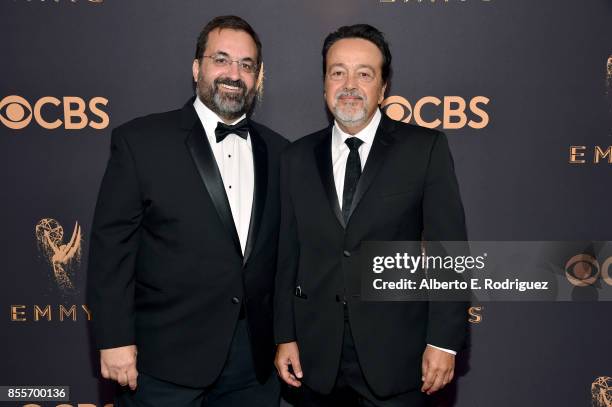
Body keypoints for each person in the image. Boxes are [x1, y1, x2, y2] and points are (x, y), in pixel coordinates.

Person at [87, 15, 288, 407]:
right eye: (222, 60)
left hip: (254, 366)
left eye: (246, 65)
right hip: (163, 362)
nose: (234, 74)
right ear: (197, 68)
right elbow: (111, 249)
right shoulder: (141, 142)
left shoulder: (282, 153)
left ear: (257, 77)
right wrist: (113, 339)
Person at [274, 24, 468, 406]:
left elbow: (450, 251)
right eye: (337, 72)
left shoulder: (423, 149)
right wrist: (284, 335)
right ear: (325, 85)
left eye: (364, 73)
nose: (349, 84)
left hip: (397, 356)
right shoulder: (294, 158)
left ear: (383, 88)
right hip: (316, 358)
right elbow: (286, 256)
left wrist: (444, 341)